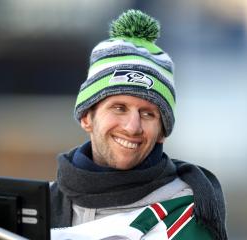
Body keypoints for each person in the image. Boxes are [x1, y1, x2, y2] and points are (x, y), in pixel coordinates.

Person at [50, 9, 228, 239]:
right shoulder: (40, 204)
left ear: (162, 131)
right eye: (119, 108)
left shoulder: (186, 214)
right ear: (87, 117)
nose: (133, 127)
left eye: (147, 114)